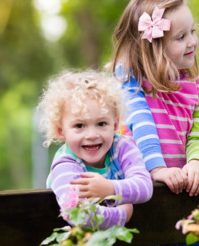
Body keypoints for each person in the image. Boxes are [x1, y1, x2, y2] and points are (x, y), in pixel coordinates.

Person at [110, 0, 199, 246]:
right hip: (145, 207)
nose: (192, 41)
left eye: (192, 31)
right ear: (152, 47)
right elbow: (141, 124)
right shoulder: (129, 84)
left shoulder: (197, 89)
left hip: (182, 205)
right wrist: (157, 168)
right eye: (180, 37)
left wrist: (197, 163)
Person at [37, 69, 153, 230]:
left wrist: (109, 189)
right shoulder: (65, 164)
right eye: (79, 126)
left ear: (115, 125)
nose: (92, 135)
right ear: (60, 131)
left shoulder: (122, 147)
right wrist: (122, 215)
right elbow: (76, 213)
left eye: (101, 124)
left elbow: (145, 186)